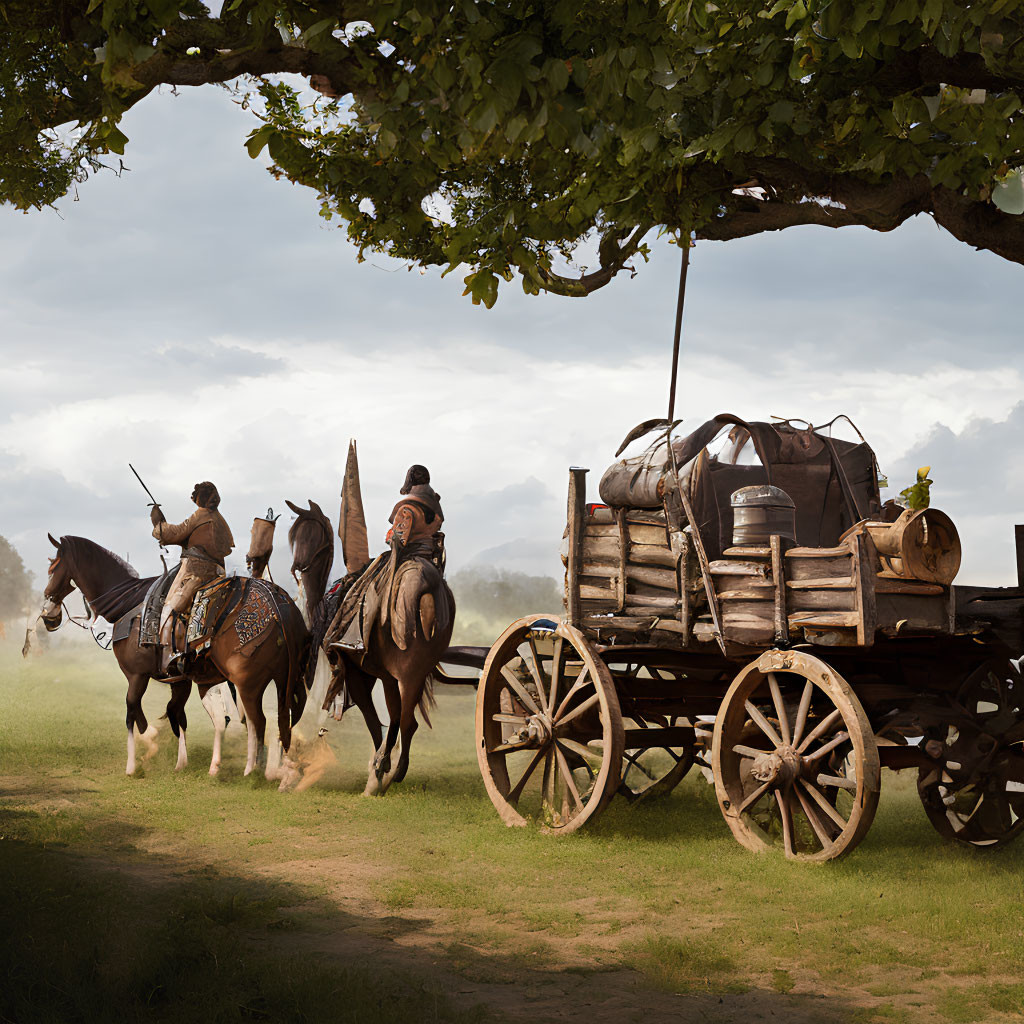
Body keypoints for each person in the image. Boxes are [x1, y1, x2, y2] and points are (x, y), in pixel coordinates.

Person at [151, 481, 234, 674]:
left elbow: (174, 533)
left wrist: (158, 523)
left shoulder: (201, 514)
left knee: (172, 607)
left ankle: (176, 653)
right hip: (217, 573)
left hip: (195, 573)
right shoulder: (220, 519)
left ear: (199, 499)